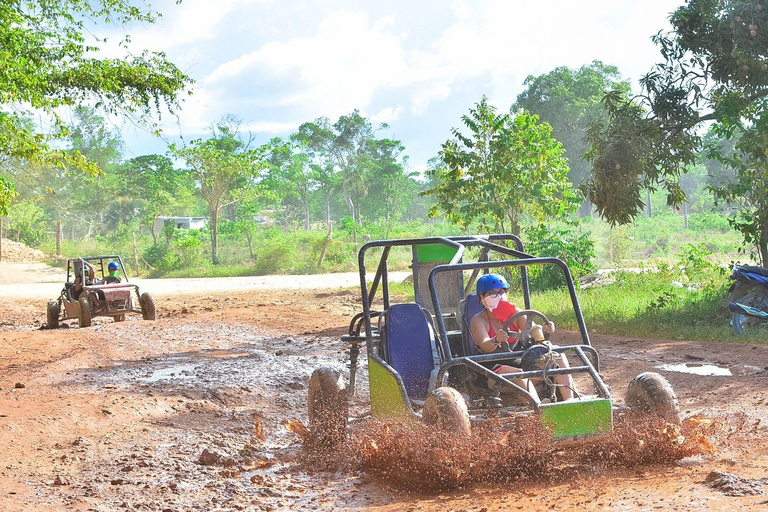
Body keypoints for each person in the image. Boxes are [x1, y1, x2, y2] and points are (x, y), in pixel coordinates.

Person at [469, 273, 576, 402]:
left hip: (523, 362)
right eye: (492, 293)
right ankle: (540, 410)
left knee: (557, 353)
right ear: (481, 297)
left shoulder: (516, 313)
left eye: (502, 291)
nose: (499, 296)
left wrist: (545, 329)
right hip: (493, 370)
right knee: (519, 374)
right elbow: (485, 345)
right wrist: (496, 340)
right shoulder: (479, 319)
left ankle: (570, 401)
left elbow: (535, 332)